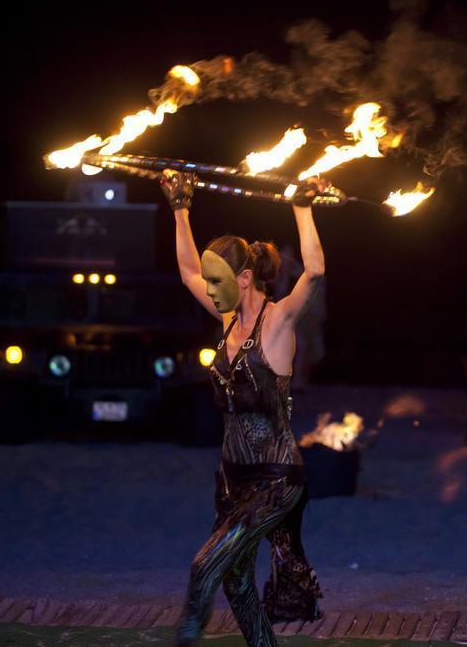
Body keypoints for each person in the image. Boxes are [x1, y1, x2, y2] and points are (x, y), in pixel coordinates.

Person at [161, 170, 323, 646]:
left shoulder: (277, 323)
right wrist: (180, 208)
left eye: (219, 281)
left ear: (245, 278)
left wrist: (302, 206)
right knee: (234, 579)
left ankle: (188, 633)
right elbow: (188, 270)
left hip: (276, 479)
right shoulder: (228, 321)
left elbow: (314, 271)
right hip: (233, 479)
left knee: (205, 564)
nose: (208, 290)